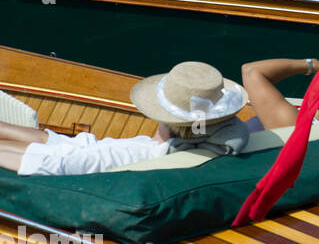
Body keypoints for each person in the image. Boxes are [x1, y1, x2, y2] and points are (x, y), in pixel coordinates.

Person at [0, 62, 249, 175]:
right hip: (99, 147)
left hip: (92, 158)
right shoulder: (211, 141)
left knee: (58, 149)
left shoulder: (141, 157)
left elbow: (53, 165)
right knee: (57, 140)